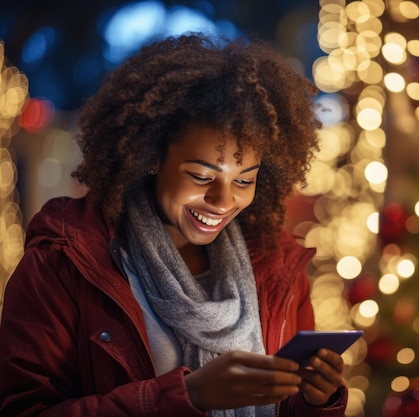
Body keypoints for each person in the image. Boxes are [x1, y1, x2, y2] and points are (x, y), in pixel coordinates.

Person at [0, 34, 348, 417]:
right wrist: (186, 397)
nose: (223, 200)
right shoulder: (63, 262)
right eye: (201, 176)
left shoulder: (277, 264)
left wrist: (317, 401)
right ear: (151, 157)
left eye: (244, 179)